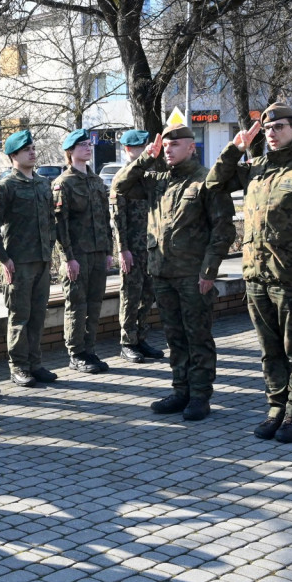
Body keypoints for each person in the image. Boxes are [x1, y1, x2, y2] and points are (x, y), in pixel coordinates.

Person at [206, 103, 292, 443]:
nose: (271, 133)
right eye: (267, 128)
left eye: (279, 126)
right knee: (269, 349)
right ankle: (276, 407)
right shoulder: (258, 167)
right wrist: (235, 148)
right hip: (256, 276)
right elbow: (213, 183)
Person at [115, 125, 235, 420]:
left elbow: (223, 229)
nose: (168, 149)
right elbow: (119, 186)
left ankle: (200, 395)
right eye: (165, 145)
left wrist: (209, 271)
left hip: (193, 275)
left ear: (192, 147)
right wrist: (146, 158)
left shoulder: (207, 181)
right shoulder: (157, 180)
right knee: (174, 336)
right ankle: (180, 390)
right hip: (163, 272)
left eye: (175, 144)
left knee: (198, 336)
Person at [0, 130, 58, 388]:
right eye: (26, 149)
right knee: (20, 316)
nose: (32, 151)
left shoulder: (42, 183)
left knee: (39, 314)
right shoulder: (5, 186)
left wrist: (50, 249)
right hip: (19, 261)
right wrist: (3, 258)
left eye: (32, 147)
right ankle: (18, 367)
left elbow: (51, 221)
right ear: (13, 155)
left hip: (41, 259)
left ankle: (34, 363)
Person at [53, 128, 114, 374]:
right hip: (77, 255)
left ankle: (90, 350)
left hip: (98, 253)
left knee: (94, 304)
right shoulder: (63, 183)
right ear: (70, 151)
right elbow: (60, 224)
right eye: (82, 145)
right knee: (77, 305)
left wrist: (109, 251)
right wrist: (68, 257)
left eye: (89, 144)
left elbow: (104, 218)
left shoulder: (97, 181)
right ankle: (76, 353)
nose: (88, 148)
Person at [112, 130, 164, 363]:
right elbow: (117, 218)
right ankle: (127, 342)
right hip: (132, 248)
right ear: (127, 150)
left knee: (147, 294)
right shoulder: (124, 178)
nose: (144, 150)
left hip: (150, 247)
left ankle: (141, 338)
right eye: (139, 147)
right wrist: (123, 249)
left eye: (145, 146)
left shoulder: (148, 176)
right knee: (130, 296)